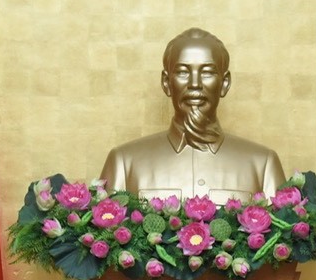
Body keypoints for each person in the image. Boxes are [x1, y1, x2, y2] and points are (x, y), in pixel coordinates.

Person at [99, 28, 286, 202]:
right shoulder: (124, 163)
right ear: (166, 82)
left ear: (224, 83)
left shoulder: (263, 165)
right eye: (182, 72)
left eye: (207, 72)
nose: (195, 84)